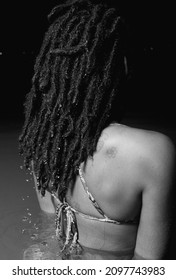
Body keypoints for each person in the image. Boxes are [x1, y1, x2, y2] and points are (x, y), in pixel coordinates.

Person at [19, 0, 175, 259]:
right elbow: (150, 269)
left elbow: (49, 236)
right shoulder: (153, 153)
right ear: (121, 66)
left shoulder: (43, 146)